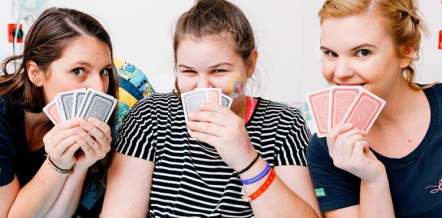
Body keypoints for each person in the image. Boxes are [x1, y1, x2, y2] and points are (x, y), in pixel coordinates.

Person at [102, 0, 321, 217]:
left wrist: (247, 160)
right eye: (189, 72)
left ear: (250, 64)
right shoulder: (149, 117)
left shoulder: (284, 123)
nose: (203, 87)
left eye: (219, 71)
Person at [306, 0, 441, 218]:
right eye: (331, 53)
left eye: (362, 52)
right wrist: (373, 180)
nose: (340, 72)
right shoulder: (325, 150)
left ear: (406, 51)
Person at [0, 7, 118, 218]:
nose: (99, 88)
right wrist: (55, 165)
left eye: (104, 71)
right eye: (78, 71)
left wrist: (81, 165)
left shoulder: (75, 123)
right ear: (36, 73)